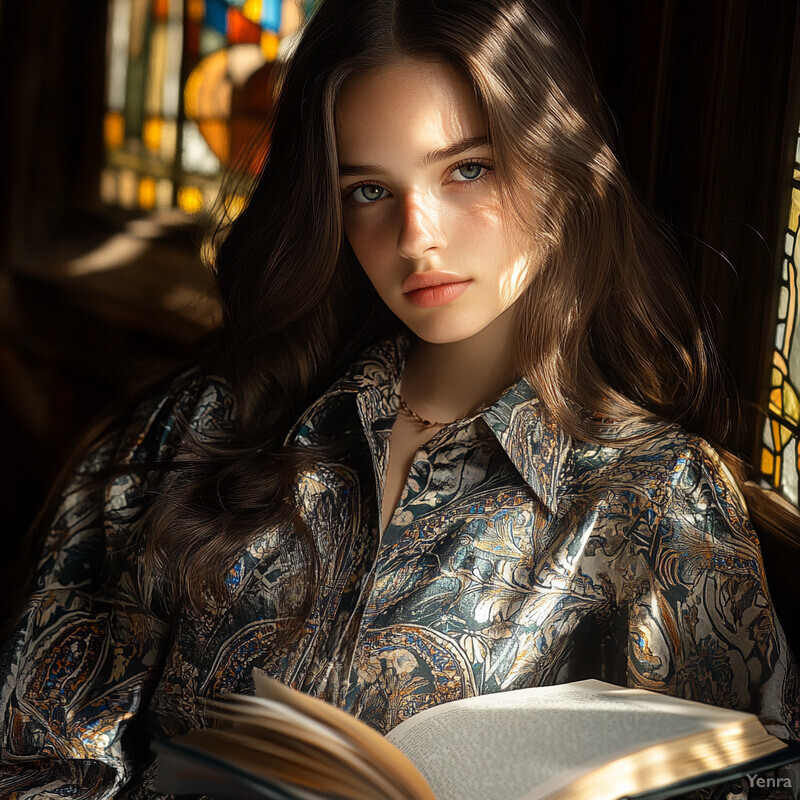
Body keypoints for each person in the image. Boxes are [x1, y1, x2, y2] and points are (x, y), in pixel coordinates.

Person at [1, 0, 798, 798]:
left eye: (468, 169)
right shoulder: (207, 423)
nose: (417, 236)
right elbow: (39, 758)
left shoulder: (658, 501)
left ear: (559, 168)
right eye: (370, 191)